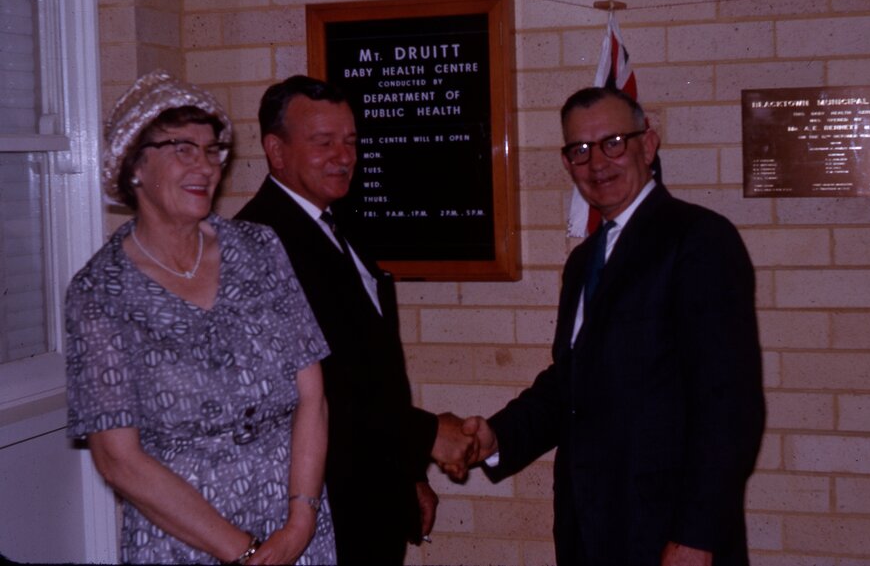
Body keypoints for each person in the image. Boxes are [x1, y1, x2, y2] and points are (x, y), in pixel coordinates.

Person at [461, 87, 766, 566]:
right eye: (579, 150)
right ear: (567, 164)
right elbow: (572, 385)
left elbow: (728, 406)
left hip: (670, 536)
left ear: (648, 145)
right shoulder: (585, 262)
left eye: (613, 143)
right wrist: (498, 437)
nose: (596, 163)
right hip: (591, 533)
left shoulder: (700, 240)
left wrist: (696, 535)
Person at [65, 70, 336, 564]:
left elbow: (312, 397)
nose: (206, 166)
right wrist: (246, 551)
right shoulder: (99, 292)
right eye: (182, 148)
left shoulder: (259, 247)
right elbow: (118, 459)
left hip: (294, 526)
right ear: (134, 167)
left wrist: (299, 523)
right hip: (183, 540)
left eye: (212, 150)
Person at [236, 75, 476, 566]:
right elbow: (315, 392)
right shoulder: (256, 244)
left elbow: (375, 364)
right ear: (276, 151)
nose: (343, 157)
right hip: (316, 509)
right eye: (323, 143)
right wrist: (428, 435)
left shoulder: (341, 223)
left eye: (350, 142)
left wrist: (410, 472)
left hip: (373, 494)